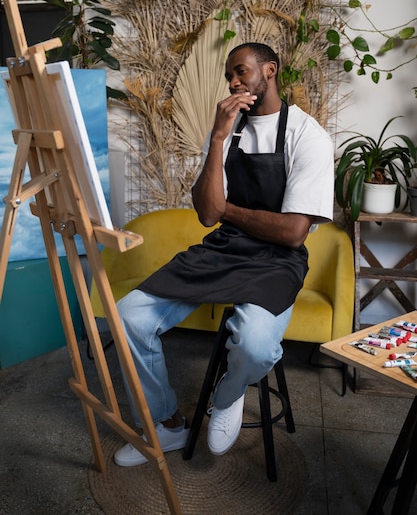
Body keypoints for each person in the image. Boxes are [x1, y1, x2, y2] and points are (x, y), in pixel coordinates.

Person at [114, 42, 334, 467]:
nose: (233, 83)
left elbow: (291, 233)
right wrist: (216, 136)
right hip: (223, 249)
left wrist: (227, 210)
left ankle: (228, 394)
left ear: (270, 70)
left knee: (254, 346)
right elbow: (204, 214)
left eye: (241, 72)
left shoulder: (307, 135)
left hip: (277, 261)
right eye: (229, 76)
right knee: (129, 316)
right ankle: (167, 423)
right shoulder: (226, 131)